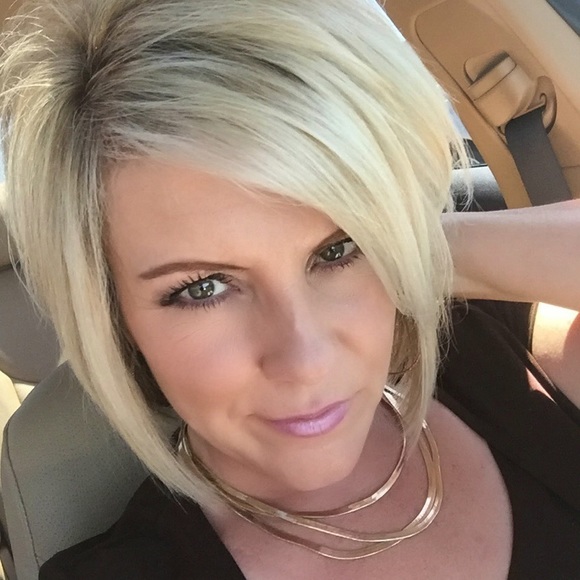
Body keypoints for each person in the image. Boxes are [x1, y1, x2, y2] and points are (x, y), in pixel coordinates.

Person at [0, 0, 578, 578]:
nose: (305, 361)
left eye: (337, 251)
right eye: (203, 288)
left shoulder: (508, 361)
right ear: (113, 315)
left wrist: (412, 247)